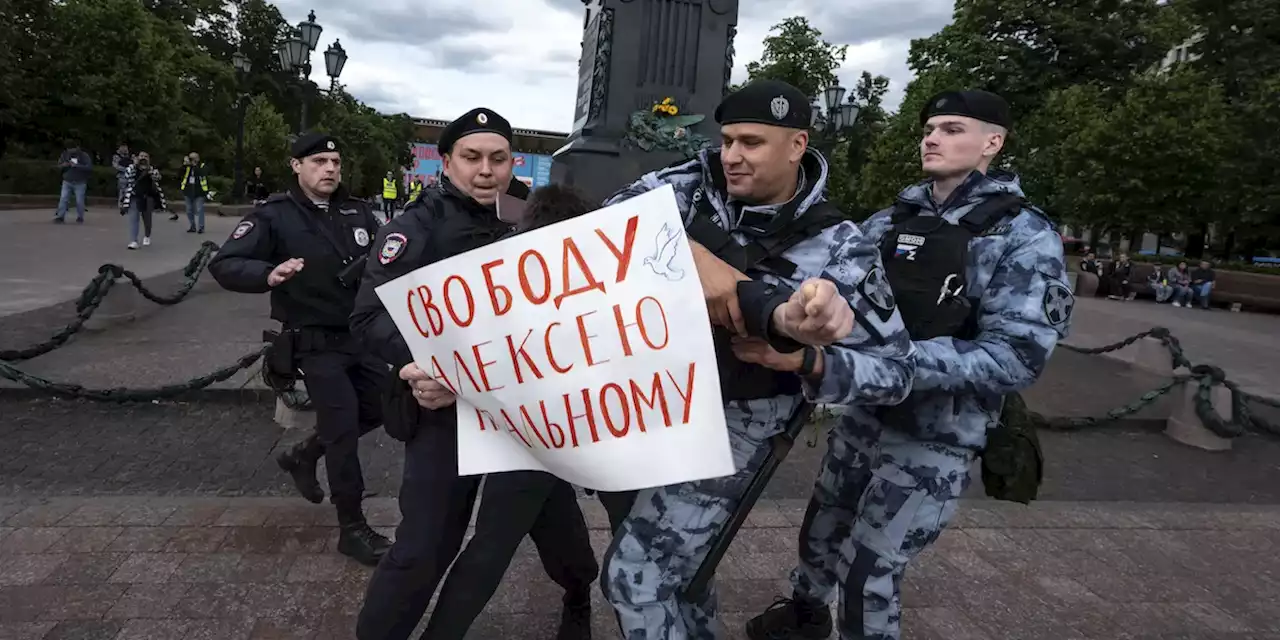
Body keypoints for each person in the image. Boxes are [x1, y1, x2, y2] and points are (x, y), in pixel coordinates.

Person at [593, 79, 916, 639]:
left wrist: (807, 364)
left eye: (751, 143)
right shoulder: (687, 186)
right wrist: (689, 253)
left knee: (635, 577)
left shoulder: (842, 247)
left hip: (734, 422)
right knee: (685, 571)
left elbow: (897, 372)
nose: (732, 157)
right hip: (647, 403)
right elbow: (596, 235)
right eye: (727, 141)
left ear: (797, 145)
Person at [745, 89, 1071, 640]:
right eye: (929, 129)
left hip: (936, 437)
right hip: (865, 421)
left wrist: (879, 365)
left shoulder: (1024, 236)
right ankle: (803, 618)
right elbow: (828, 288)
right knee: (821, 534)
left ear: (993, 142)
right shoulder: (890, 221)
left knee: (869, 575)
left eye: (951, 128)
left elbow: (1016, 356)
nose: (932, 137)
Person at [349, 107, 526, 640]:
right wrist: (414, 364)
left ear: (512, 162)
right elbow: (368, 315)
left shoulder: (528, 214)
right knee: (425, 545)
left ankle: (578, 598)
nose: (486, 170)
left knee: (533, 537)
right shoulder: (414, 227)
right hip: (442, 413)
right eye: (471, 157)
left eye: (498, 158)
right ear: (446, 161)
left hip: (522, 411)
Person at [408, 184, 603, 640]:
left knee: (558, 540)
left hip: (584, 430)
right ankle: (577, 594)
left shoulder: (599, 273)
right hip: (525, 437)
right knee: (496, 545)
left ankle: (578, 594)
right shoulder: (496, 272)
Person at [207, 132, 391, 566]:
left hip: (358, 336)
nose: (330, 169)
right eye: (319, 161)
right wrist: (269, 273)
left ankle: (304, 453)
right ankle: (353, 528)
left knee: (384, 406)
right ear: (296, 166)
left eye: (335, 162)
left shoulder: (359, 210)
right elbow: (226, 263)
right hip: (313, 340)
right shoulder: (274, 215)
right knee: (343, 429)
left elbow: (388, 255)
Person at [118, 151, 168, 249]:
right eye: (141, 156)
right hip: (134, 196)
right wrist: (135, 165)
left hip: (147, 197)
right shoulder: (132, 168)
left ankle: (147, 235)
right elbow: (127, 176)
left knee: (147, 219)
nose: (143, 158)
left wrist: (150, 171)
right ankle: (133, 241)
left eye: (145, 156)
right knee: (133, 218)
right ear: (137, 157)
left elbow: (158, 178)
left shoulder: (152, 169)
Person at [54, 140, 92, 224]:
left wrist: (77, 166)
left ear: (77, 147)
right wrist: (63, 165)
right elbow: (59, 166)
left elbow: (89, 167)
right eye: (69, 149)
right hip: (67, 181)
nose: (70, 151)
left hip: (80, 182)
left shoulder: (83, 155)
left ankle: (80, 216)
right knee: (63, 199)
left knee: (79, 201)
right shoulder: (64, 155)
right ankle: (60, 216)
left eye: (72, 149)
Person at [179, 152, 210, 233]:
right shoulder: (187, 167)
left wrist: (194, 165)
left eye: (194, 158)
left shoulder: (202, 166)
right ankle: (192, 226)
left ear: (198, 158)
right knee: (189, 210)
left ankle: (201, 227)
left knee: (200, 210)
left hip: (199, 192)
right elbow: (179, 174)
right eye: (190, 158)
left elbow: (202, 174)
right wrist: (184, 164)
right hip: (188, 191)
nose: (192, 160)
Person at [112, 143, 133, 208]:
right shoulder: (116, 156)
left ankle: (126, 203)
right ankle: (121, 204)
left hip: (130, 175)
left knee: (128, 190)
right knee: (122, 190)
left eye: (125, 148)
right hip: (122, 175)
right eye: (123, 147)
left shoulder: (130, 155)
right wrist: (126, 169)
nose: (124, 149)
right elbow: (116, 166)